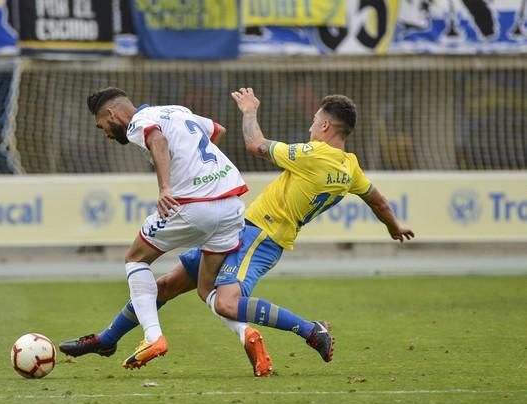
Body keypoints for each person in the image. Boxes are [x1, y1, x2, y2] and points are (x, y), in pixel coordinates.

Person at [61, 89, 415, 376]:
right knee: (167, 285)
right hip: (239, 222)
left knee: (225, 301)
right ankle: (107, 339)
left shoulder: (312, 154)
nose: (310, 126)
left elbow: (255, 144)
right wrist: (394, 226)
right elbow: (378, 200)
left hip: (260, 236)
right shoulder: (350, 168)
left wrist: (249, 110)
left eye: (313, 121)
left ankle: (310, 330)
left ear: (324, 127)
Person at [85, 87, 252, 370]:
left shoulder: (140, 122)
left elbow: (158, 140)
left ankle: (153, 337)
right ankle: (246, 332)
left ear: (112, 114)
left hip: (193, 206)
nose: (106, 134)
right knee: (207, 288)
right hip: (231, 206)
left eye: (103, 126)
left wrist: (165, 186)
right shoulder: (176, 110)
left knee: (135, 259)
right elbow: (217, 130)